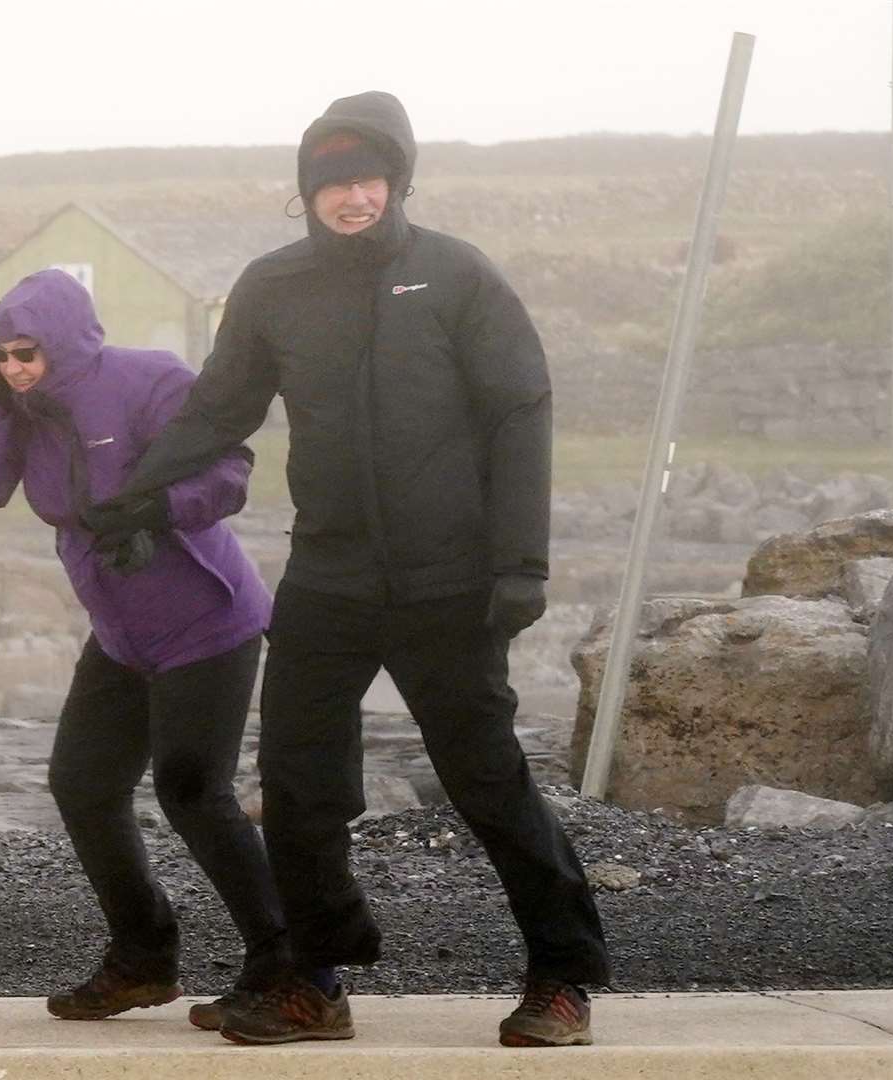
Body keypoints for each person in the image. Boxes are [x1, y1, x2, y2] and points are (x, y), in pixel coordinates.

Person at [86, 90, 611, 1047]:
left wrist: (521, 566)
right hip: (327, 580)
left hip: (448, 582)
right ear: (306, 193)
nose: (352, 196)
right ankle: (313, 984)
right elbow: (217, 409)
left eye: (368, 177)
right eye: (331, 182)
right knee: (299, 786)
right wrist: (141, 495)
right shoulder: (273, 287)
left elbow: (520, 413)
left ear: (399, 180)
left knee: (487, 781)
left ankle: (563, 978)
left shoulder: (457, 277)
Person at [0, 268, 284, 1030]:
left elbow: (230, 470)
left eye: (25, 353)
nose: (15, 368)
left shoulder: (148, 378)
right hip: (121, 635)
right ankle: (143, 958)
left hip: (207, 619)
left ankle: (283, 965)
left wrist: (158, 509)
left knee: (193, 791)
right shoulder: (22, 409)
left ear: (60, 340)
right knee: (84, 783)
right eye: (0, 357)